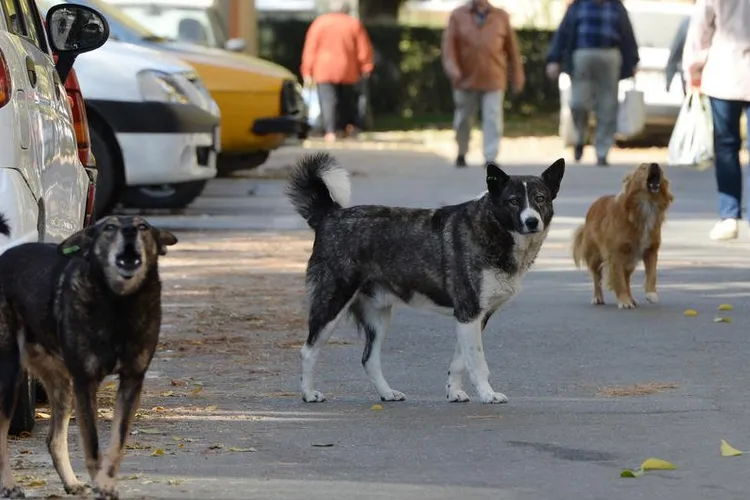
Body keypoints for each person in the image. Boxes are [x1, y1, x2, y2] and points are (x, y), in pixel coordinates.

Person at [683, 0, 750, 241]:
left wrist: (694, 69)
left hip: (725, 72)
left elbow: (701, 28)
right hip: (727, 72)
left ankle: (729, 215)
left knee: (725, 147)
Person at [545, 0, 639, 166]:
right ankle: (580, 138)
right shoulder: (578, 6)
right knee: (578, 103)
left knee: (608, 106)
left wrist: (632, 61)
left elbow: (627, 33)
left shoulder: (616, 6)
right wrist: (554, 58)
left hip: (610, 55)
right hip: (581, 55)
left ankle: (602, 151)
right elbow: (564, 32)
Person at [441, 0, 525, 168]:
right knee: (464, 118)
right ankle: (462, 151)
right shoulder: (458, 15)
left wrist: (517, 75)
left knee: (492, 117)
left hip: (494, 77)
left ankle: (490, 156)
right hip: (465, 78)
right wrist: (453, 69)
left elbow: (512, 51)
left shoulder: (501, 16)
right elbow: (448, 48)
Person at [300, 0, 374, 143]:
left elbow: (310, 49)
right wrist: (366, 66)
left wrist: (307, 70)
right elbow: (363, 48)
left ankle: (330, 131)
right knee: (346, 100)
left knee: (327, 101)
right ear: (346, 10)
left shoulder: (319, 23)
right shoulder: (353, 24)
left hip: (323, 69)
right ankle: (343, 129)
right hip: (348, 69)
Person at [665, 16, 690, 96]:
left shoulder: (688, 22)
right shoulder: (687, 23)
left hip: (691, 77)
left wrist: (669, 78)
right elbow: (676, 51)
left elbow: (675, 51)